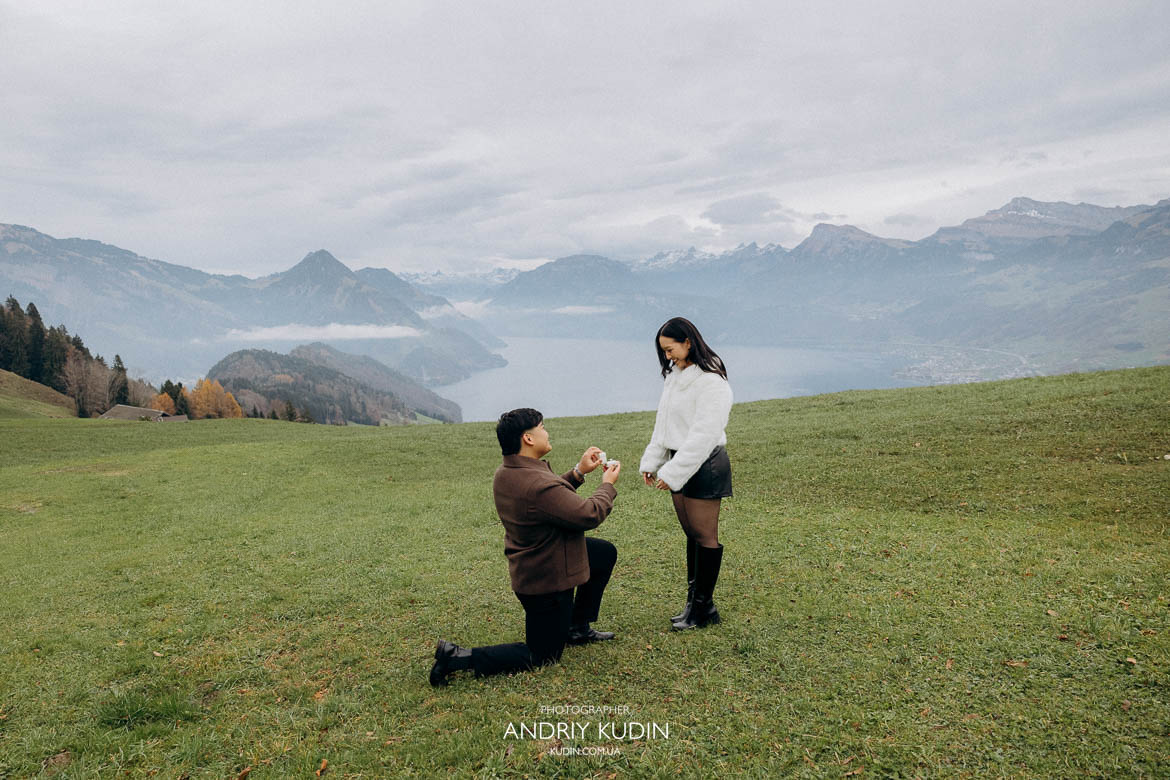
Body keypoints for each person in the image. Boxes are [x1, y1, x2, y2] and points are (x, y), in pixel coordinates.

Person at [430, 407, 622, 686]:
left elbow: (549, 499)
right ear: (528, 438)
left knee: (602, 553)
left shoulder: (508, 472)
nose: (547, 431)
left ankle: (577, 627)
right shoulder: (535, 483)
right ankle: (458, 657)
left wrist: (579, 472)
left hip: (539, 563)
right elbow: (587, 514)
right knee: (543, 656)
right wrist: (607, 485)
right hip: (548, 580)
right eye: (542, 427)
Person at [639, 317, 733, 630]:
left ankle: (704, 608)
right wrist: (653, 460)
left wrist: (675, 471)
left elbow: (705, 433)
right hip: (682, 461)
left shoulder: (710, 380)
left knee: (705, 535)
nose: (668, 357)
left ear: (688, 342)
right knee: (691, 533)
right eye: (663, 352)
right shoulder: (676, 376)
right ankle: (694, 603)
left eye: (670, 349)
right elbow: (664, 423)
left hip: (704, 463)